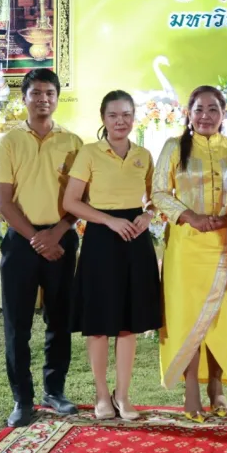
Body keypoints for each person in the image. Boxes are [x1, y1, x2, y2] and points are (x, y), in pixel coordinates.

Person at [63, 90, 162, 421]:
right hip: (102, 239)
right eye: (113, 115)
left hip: (135, 239)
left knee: (128, 323)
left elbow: (154, 198)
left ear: (134, 117)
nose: (121, 121)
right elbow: (71, 202)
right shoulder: (89, 153)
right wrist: (108, 220)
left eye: (127, 115)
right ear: (103, 119)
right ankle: (101, 395)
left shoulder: (144, 155)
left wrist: (147, 215)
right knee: (98, 323)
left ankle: (123, 394)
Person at [0, 68, 82, 427]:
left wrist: (56, 233)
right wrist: (36, 238)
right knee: (18, 325)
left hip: (61, 239)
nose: (43, 99)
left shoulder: (73, 142)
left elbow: (82, 198)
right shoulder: (10, 142)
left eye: (49, 93)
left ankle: (54, 391)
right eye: (36, 93)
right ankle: (22, 399)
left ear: (57, 98)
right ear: (24, 98)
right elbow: (4, 202)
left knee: (59, 320)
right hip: (21, 241)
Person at [154, 86, 227, 422]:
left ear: (223, 113)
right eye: (199, 109)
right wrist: (190, 217)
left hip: (224, 244)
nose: (205, 116)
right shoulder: (174, 147)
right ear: (189, 114)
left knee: (221, 318)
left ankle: (217, 386)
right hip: (186, 246)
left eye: (213, 109)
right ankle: (191, 387)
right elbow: (159, 192)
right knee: (189, 317)